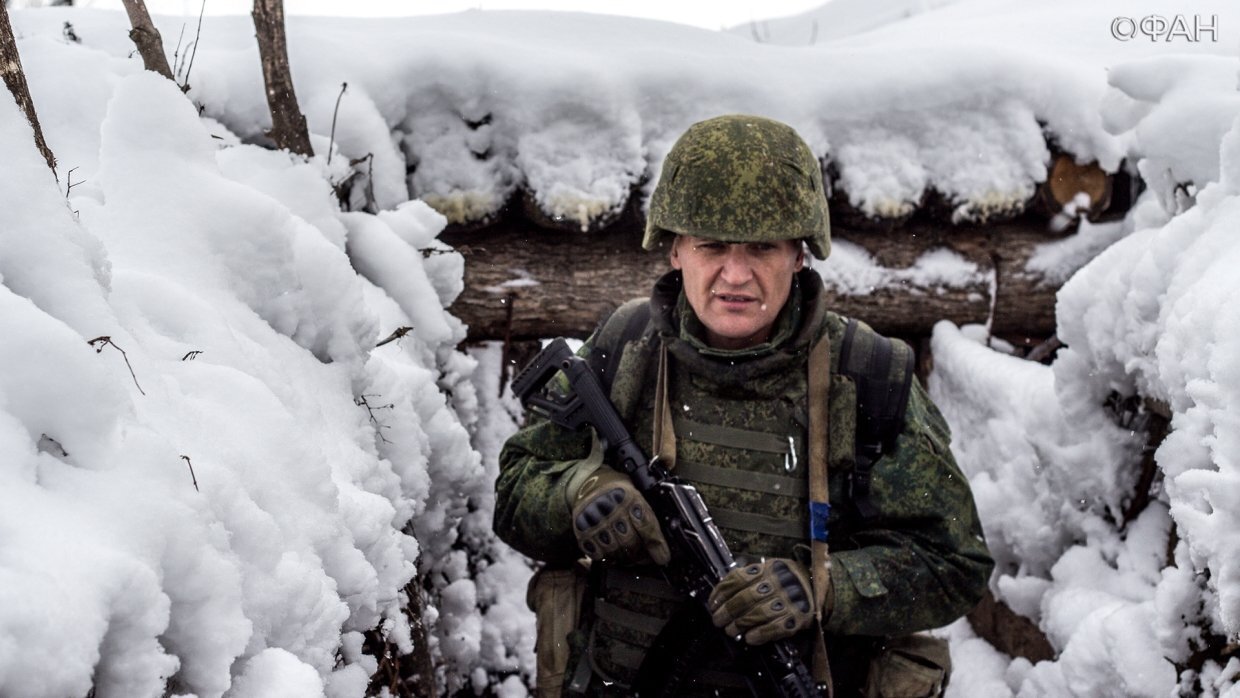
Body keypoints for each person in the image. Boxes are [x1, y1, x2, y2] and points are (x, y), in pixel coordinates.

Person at [494, 114, 993, 698]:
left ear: (800, 256)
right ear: (676, 250)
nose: (736, 274)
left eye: (762, 247)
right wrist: (578, 496)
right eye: (712, 246)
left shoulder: (867, 375)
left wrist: (824, 587)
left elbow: (956, 565)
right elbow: (514, 496)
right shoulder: (624, 351)